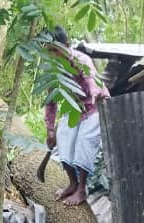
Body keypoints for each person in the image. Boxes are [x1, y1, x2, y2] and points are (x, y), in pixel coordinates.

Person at [44, 26, 109, 206]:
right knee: (63, 139)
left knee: (84, 143)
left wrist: (95, 94)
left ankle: (81, 189)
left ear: (66, 45)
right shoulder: (53, 70)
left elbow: (91, 80)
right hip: (75, 109)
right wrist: (50, 129)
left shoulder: (82, 60)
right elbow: (51, 101)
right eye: (49, 51)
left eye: (55, 50)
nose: (54, 55)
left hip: (96, 106)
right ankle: (72, 183)